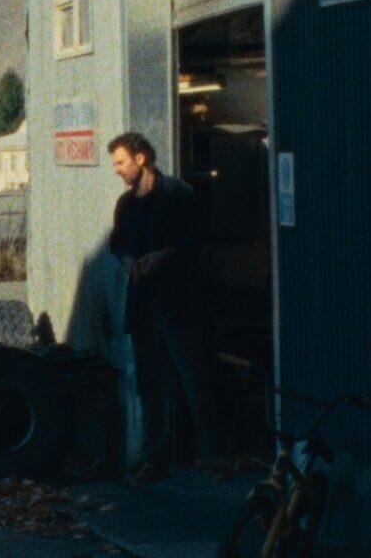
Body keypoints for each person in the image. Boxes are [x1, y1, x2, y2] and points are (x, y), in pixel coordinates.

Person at [107, 132, 215, 486]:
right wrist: (127, 260)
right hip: (142, 303)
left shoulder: (177, 194)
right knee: (149, 383)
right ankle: (154, 457)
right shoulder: (125, 205)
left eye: (121, 162)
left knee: (192, 378)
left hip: (177, 301)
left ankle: (211, 455)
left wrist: (165, 256)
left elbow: (199, 237)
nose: (117, 170)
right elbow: (117, 243)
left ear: (141, 158)